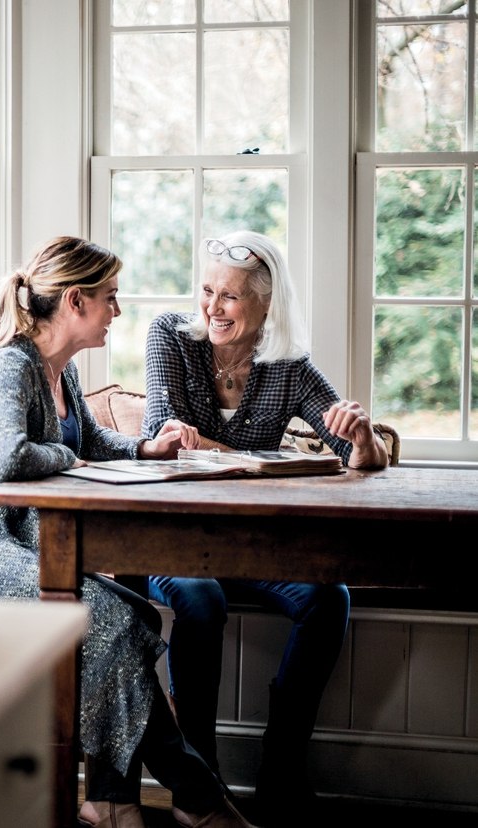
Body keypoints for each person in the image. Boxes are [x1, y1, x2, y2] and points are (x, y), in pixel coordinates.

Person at [0, 236, 256, 828]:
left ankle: (112, 800)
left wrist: (148, 448)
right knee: (116, 620)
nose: (117, 312)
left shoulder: (60, 371)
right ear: (75, 300)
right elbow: (7, 459)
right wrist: (73, 462)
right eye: (110, 298)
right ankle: (199, 799)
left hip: (22, 542)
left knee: (138, 616)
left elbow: (90, 443)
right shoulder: (6, 366)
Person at [138, 230, 389, 825]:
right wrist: (241, 459)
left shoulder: (289, 367)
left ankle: (280, 770)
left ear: (267, 306)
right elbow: (158, 432)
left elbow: (362, 458)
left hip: (248, 547)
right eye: (207, 290)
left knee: (329, 598)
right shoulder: (171, 337)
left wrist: (361, 438)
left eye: (229, 296)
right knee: (198, 598)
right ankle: (202, 787)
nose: (212, 307)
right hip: (170, 540)